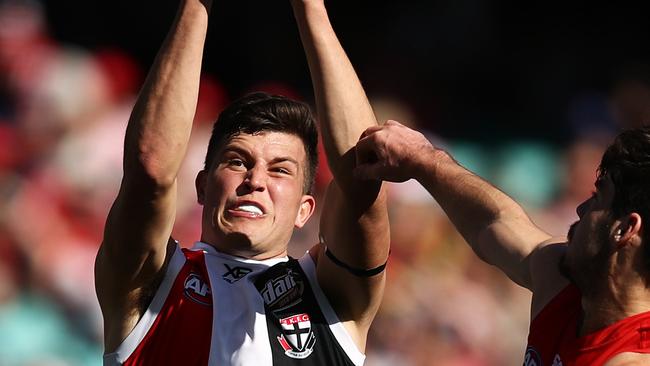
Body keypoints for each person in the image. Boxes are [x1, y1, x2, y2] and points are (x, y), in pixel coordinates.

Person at [94, 0, 389, 364]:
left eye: (280, 169)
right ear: (202, 186)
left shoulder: (329, 296)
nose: (255, 180)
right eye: (237, 161)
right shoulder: (151, 283)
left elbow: (362, 175)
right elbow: (149, 170)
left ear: (304, 209)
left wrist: (310, 8)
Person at [354, 120, 650, 366]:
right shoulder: (563, 282)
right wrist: (423, 160)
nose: (580, 210)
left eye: (598, 198)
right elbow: (495, 223)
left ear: (624, 229)